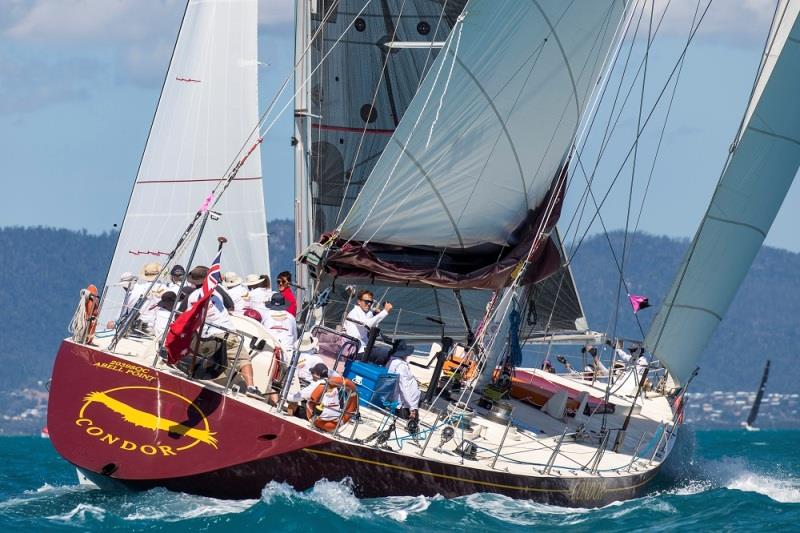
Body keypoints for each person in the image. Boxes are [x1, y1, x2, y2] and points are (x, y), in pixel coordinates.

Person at [185, 266, 260, 395]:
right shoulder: (216, 292)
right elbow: (230, 304)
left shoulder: (192, 297)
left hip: (205, 337)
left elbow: (188, 316)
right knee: (243, 359)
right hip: (226, 334)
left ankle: (191, 372)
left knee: (204, 352)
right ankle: (251, 387)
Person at [386, 340, 420, 421]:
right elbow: (404, 387)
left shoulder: (392, 361)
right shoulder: (401, 366)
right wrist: (412, 408)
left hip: (402, 404)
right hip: (404, 406)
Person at [262, 293, 297, 359]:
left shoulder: (265, 315)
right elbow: (295, 338)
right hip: (288, 351)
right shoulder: (291, 317)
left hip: (270, 351)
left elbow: (261, 332)